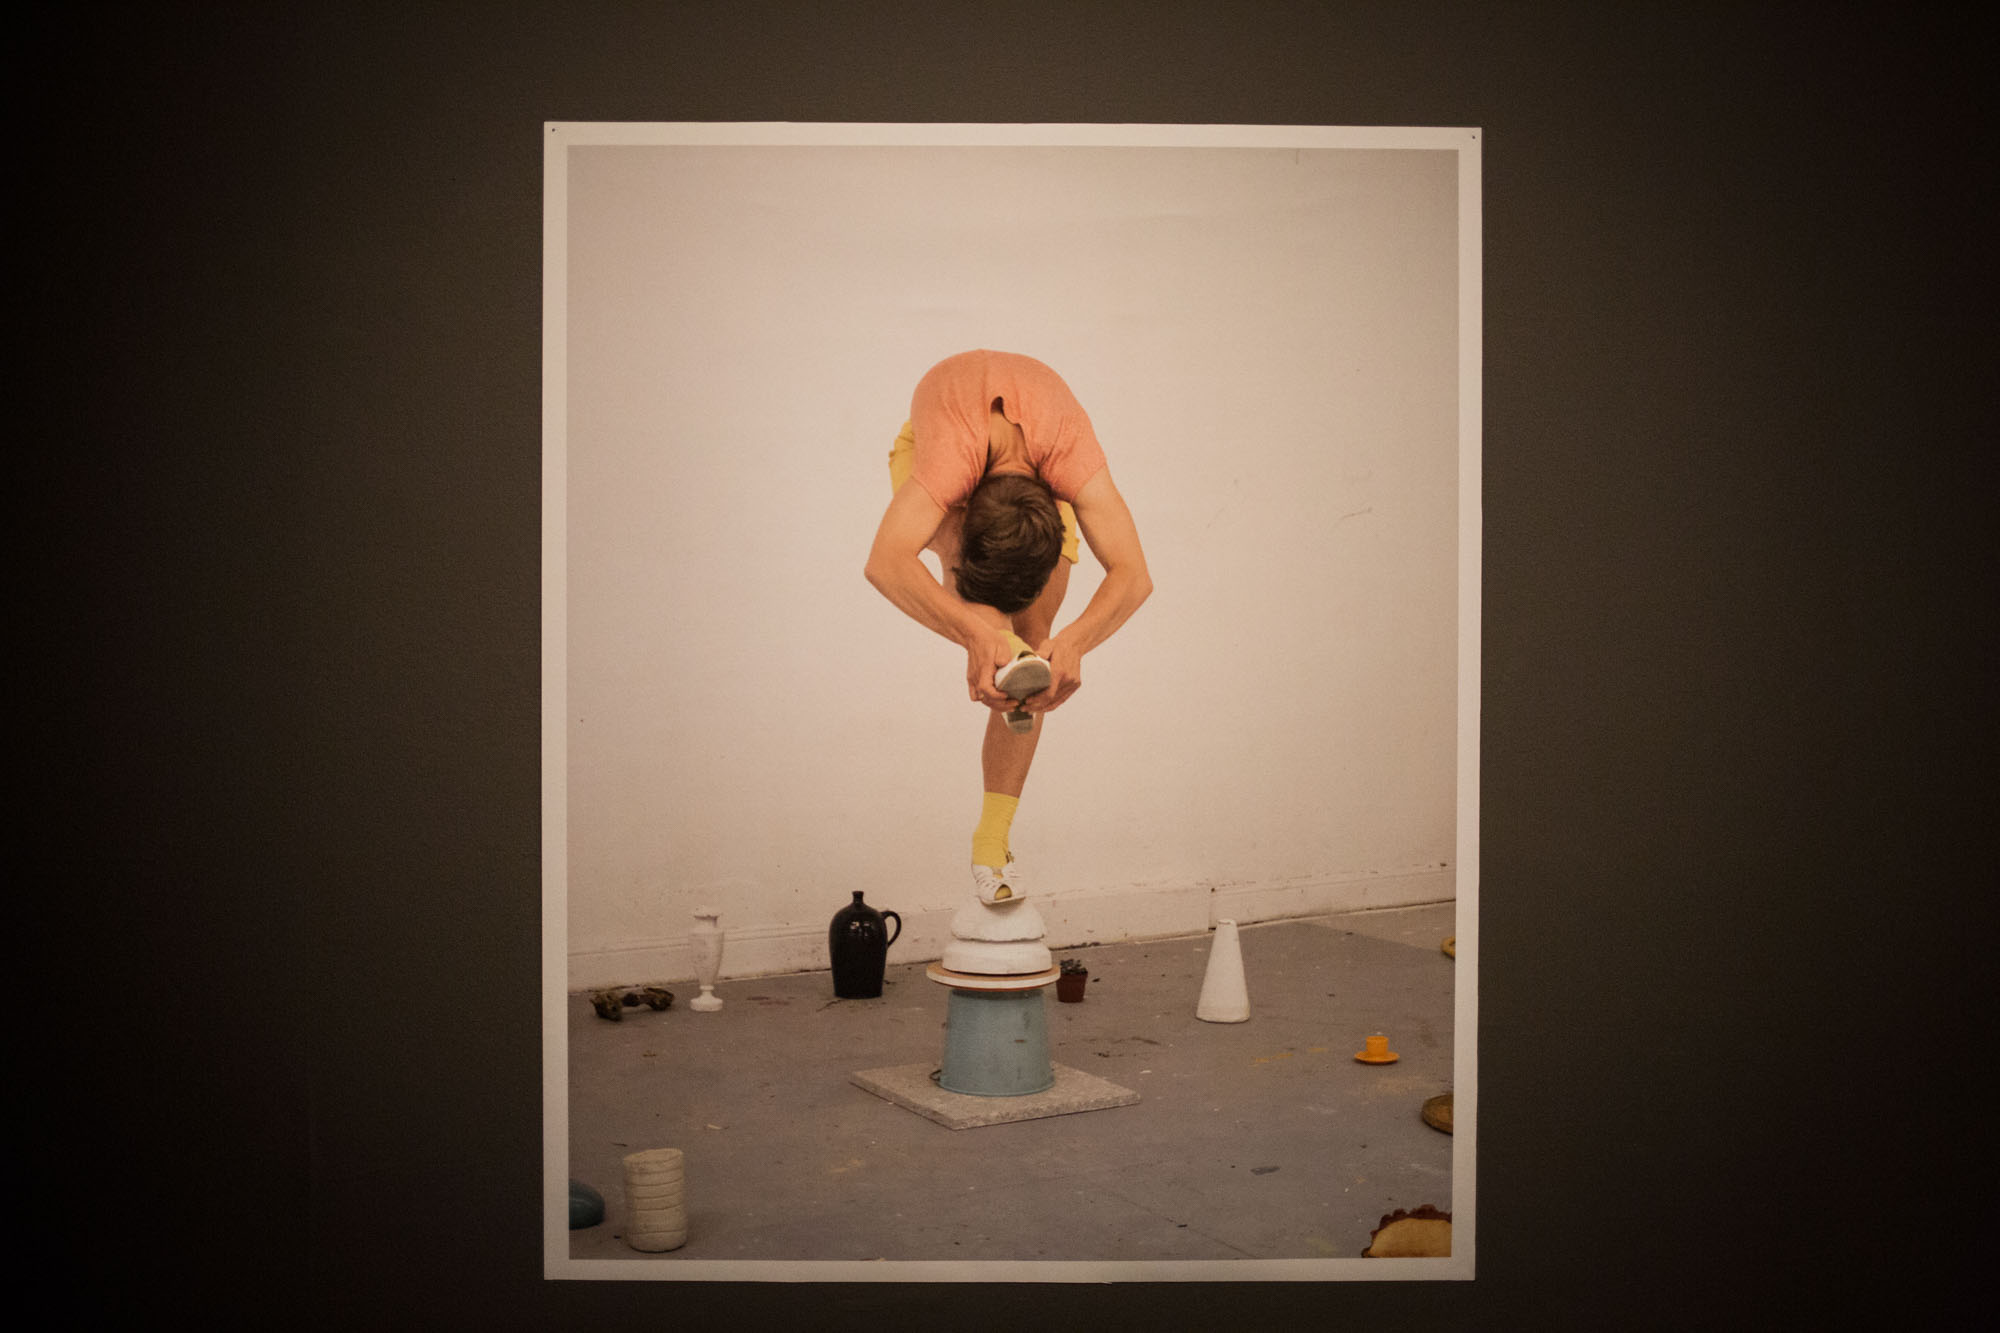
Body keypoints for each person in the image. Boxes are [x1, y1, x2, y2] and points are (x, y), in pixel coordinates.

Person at [864, 350, 1152, 904]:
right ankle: (1001, 646)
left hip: (1029, 464)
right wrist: (976, 634)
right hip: (942, 443)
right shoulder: (948, 467)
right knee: (990, 625)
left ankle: (992, 838)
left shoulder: (1071, 458)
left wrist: (1073, 642)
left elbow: (1134, 574)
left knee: (1037, 641)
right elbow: (885, 562)